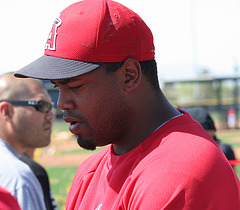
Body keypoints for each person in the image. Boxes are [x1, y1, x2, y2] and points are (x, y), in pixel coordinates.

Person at [15, 0, 240, 209]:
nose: (62, 103)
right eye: (57, 87)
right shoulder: (90, 171)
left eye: (75, 86)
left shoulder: (179, 170)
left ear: (129, 76)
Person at [0, 72, 55, 210]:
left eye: (51, 106)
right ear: (6, 111)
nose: (51, 115)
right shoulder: (19, 178)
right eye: (41, 105)